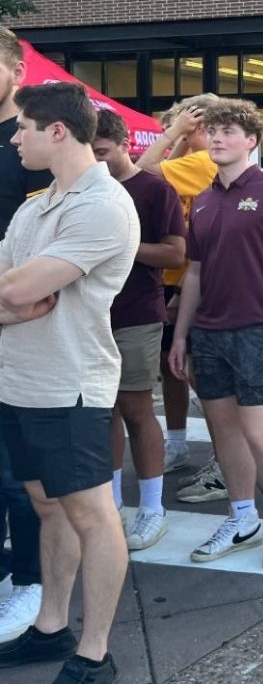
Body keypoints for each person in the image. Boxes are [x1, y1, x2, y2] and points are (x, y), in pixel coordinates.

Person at [0, 82, 138, 682]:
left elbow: (14, 288)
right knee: (45, 505)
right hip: (19, 380)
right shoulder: (36, 205)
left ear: (58, 130)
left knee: (91, 514)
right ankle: (52, 629)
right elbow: (13, 291)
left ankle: (94, 654)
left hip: (70, 385)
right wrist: (15, 302)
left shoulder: (101, 205)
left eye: (22, 126)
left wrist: (15, 298)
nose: (13, 137)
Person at [167, 99, 263, 570]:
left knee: (260, 432)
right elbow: (194, 273)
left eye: (228, 131)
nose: (217, 138)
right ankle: (244, 517)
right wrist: (181, 336)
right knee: (223, 432)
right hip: (209, 331)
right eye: (212, 131)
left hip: (258, 329)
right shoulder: (205, 200)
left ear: (252, 140)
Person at [92, 111, 186, 553]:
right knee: (103, 411)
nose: (97, 161)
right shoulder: (86, 187)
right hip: (91, 314)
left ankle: (152, 508)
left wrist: (122, 246)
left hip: (136, 312)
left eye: (103, 152)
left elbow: (174, 254)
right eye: (90, 153)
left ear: (125, 143)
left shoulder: (154, 189)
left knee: (134, 408)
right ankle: (111, 504)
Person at [136, 93, 220, 484]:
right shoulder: (189, 162)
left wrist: (175, 132)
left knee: (200, 373)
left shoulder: (203, 162)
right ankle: (178, 441)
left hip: (198, 281)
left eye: (186, 130)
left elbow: (143, 170)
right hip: (177, 280)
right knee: (171, 366)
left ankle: (222, 456)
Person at [0, 29, 52, 647]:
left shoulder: (30, 146)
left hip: (23, 325)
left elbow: (43, 250)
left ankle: (32, 581)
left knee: (20, 473)